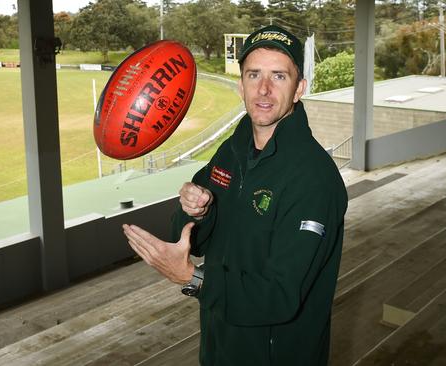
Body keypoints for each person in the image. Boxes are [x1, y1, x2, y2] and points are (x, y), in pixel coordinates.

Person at [123, 24, 348, 366]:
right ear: (240, 83)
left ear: (300, 88)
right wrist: (197, 212)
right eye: (254, 74)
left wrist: (191, 278)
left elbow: (281, 296)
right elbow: (189, 239)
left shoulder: (314, 178)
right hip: (220, 345)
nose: (264, 89)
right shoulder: (232, 151)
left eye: (279, 76)